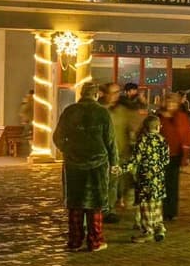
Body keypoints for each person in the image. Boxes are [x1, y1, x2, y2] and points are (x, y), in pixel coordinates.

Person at [53, 83, 117, 252]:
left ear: (81, 94)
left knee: (76, 204)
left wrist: (67, 149)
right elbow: (110, 141)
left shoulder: (70, 111)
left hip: (74, 163)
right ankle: (95, 241)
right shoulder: (102, 113)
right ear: (96, 95)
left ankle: (74, 240)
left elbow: (57, 137)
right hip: (97, 163)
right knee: (94, 204)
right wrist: (114, 163)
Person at [126, 115, 169, 243]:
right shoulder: (162, 140)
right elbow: (166, 160)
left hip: (145, 178)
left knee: (145, 205)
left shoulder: (142, 140)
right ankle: (159, 227)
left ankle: (148, 231)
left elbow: (135, 160)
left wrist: (121, 169)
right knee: (156, 204)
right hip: (158, 178)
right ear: (157, 127)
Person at [109, 83, 147, 220]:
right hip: (106, 153)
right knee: (110, 182)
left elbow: (136, 124)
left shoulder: (123, 109)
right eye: (112, 92)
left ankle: (117, 204)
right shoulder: (102, 109)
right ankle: (109, 209)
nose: (115, 95)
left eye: (117, 92)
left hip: (122, 151)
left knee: (121, 182)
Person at [158, 93, 190, 222]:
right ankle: (159, 209)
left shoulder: (181, 117)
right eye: (168, 102)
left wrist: (186, 154)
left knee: (172, 184)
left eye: (173, 103)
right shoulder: (158, 117)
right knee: (160, 183)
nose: (170, 105)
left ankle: (171, 211)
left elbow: (186, 135)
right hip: (160, 155)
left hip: (175, 155)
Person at [18, 89, 36, 156]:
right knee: (32, 138)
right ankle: (32, 152)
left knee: (30, 138)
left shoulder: (28, 101)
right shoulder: (35, 101)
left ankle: (31, 152)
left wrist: (24, 119)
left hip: (30, 123)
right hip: (34, 123)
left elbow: (22, 111)